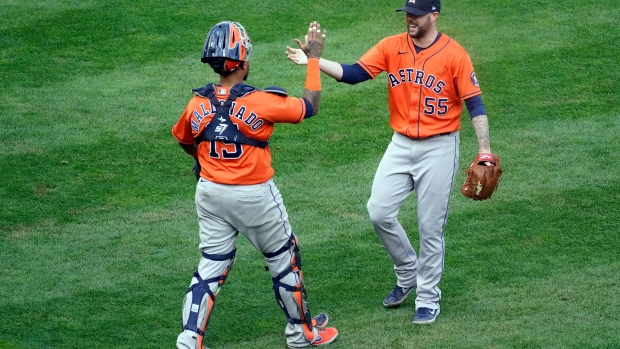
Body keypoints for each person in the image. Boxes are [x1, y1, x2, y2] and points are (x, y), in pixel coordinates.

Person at [286, 0, 496, 324]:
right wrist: (315, 60)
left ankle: (428, 299)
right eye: (407, 13)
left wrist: (484, 149)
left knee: (430, 227)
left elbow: (475, 104)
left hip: (439, 148)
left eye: (416, 14)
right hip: (400, 144)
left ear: (434, 15)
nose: (410, 19)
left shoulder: (455, 55)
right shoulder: (391, 46)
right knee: (379, 211)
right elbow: (354, 74)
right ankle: (408, 271)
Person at [172, 20, 338, 349]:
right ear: (244, 62)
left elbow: (184, 139)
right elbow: (310, 107)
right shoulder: (260, 102)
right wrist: (314, 59)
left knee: (213, 263)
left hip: (209, 193)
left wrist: (200, 160)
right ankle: (301, 334)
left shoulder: (196, 104)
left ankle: (189, 340)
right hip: (253, 197)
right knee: (283, 256)